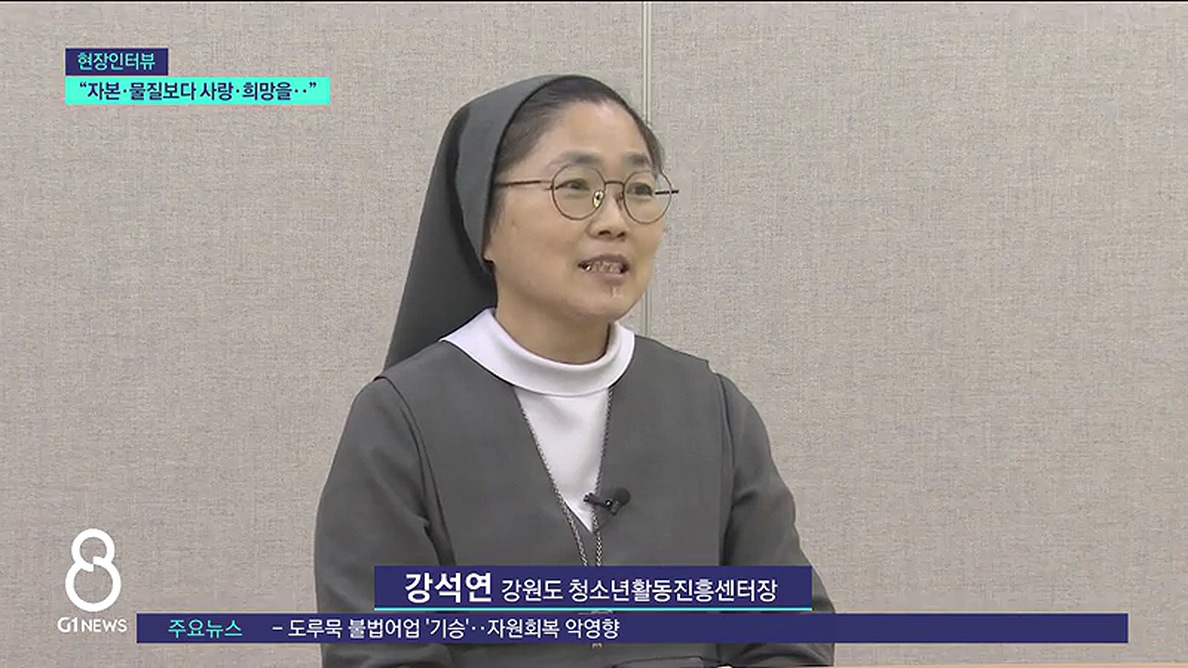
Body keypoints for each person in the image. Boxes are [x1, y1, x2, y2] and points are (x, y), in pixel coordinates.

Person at [314, 74, 835, 668]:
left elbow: (789, 636)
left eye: (639, 190)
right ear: (484, 221)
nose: (615, 220)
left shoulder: (711, 409)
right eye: (576, 186)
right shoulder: (400, 422)